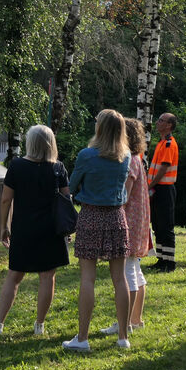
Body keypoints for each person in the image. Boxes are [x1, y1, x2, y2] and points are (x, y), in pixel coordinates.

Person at [63, 109, 134, 352]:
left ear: (100, 127)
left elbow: (71, 186)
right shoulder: (126, 156)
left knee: (88, 278)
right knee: (119, 278)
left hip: (91, 215)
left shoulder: (86, 155)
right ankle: (123, 337)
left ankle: (82, 338)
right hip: (117, 217)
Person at [0, 125, 71, 336]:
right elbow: (66, 199)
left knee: (14, 276)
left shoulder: (16, 166)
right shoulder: (58, 168)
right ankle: (39, 325)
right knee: (47, 277)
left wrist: (4, 226)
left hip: (24, 228)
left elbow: (6, 199)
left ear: (30, 143)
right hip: (52, 230)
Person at [101, 118, 152, 336]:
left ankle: (126, 323)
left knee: (127, 272)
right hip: (138, 221)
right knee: (135, 270)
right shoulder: (137, 159)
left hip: (128, 222)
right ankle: (136, 319)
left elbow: (125, 195)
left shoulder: (129, 161)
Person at [147, 112, 179, 272]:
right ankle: (161, 260)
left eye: (161, 120)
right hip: (158, 188)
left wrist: (149, 185)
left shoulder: (168, 143)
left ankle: (170, 263)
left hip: (165, 189)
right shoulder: (161, 143)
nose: (157, 122)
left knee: (165, 226)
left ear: (169, 125)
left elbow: (164, 167)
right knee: (158, 225)